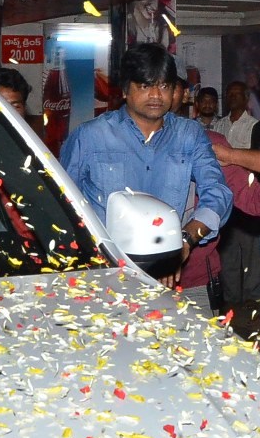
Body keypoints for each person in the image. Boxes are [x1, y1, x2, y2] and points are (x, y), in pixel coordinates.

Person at [60, 44, 233, 278]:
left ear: (174, 91)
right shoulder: (90, 136)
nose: (155, 95)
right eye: (145, 85)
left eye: (163, 86)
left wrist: (183, 240)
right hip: (104, 273)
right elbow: (62, 205)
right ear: (124, 90)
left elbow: (218, 193)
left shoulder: (188, 135)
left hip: (169, 273)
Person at [180, 128, 260, 317]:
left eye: (168, 94)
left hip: (194, 282)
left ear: (184, 96)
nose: (156, 96)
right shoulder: (116, 137)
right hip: (128, 273)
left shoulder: (208, 142)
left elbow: (255, 200)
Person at [221, 80, 258, 151]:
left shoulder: (254, 125)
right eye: (230, 93)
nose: (233, 97)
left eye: (237, 93)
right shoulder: (219, 124)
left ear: (246, 98)